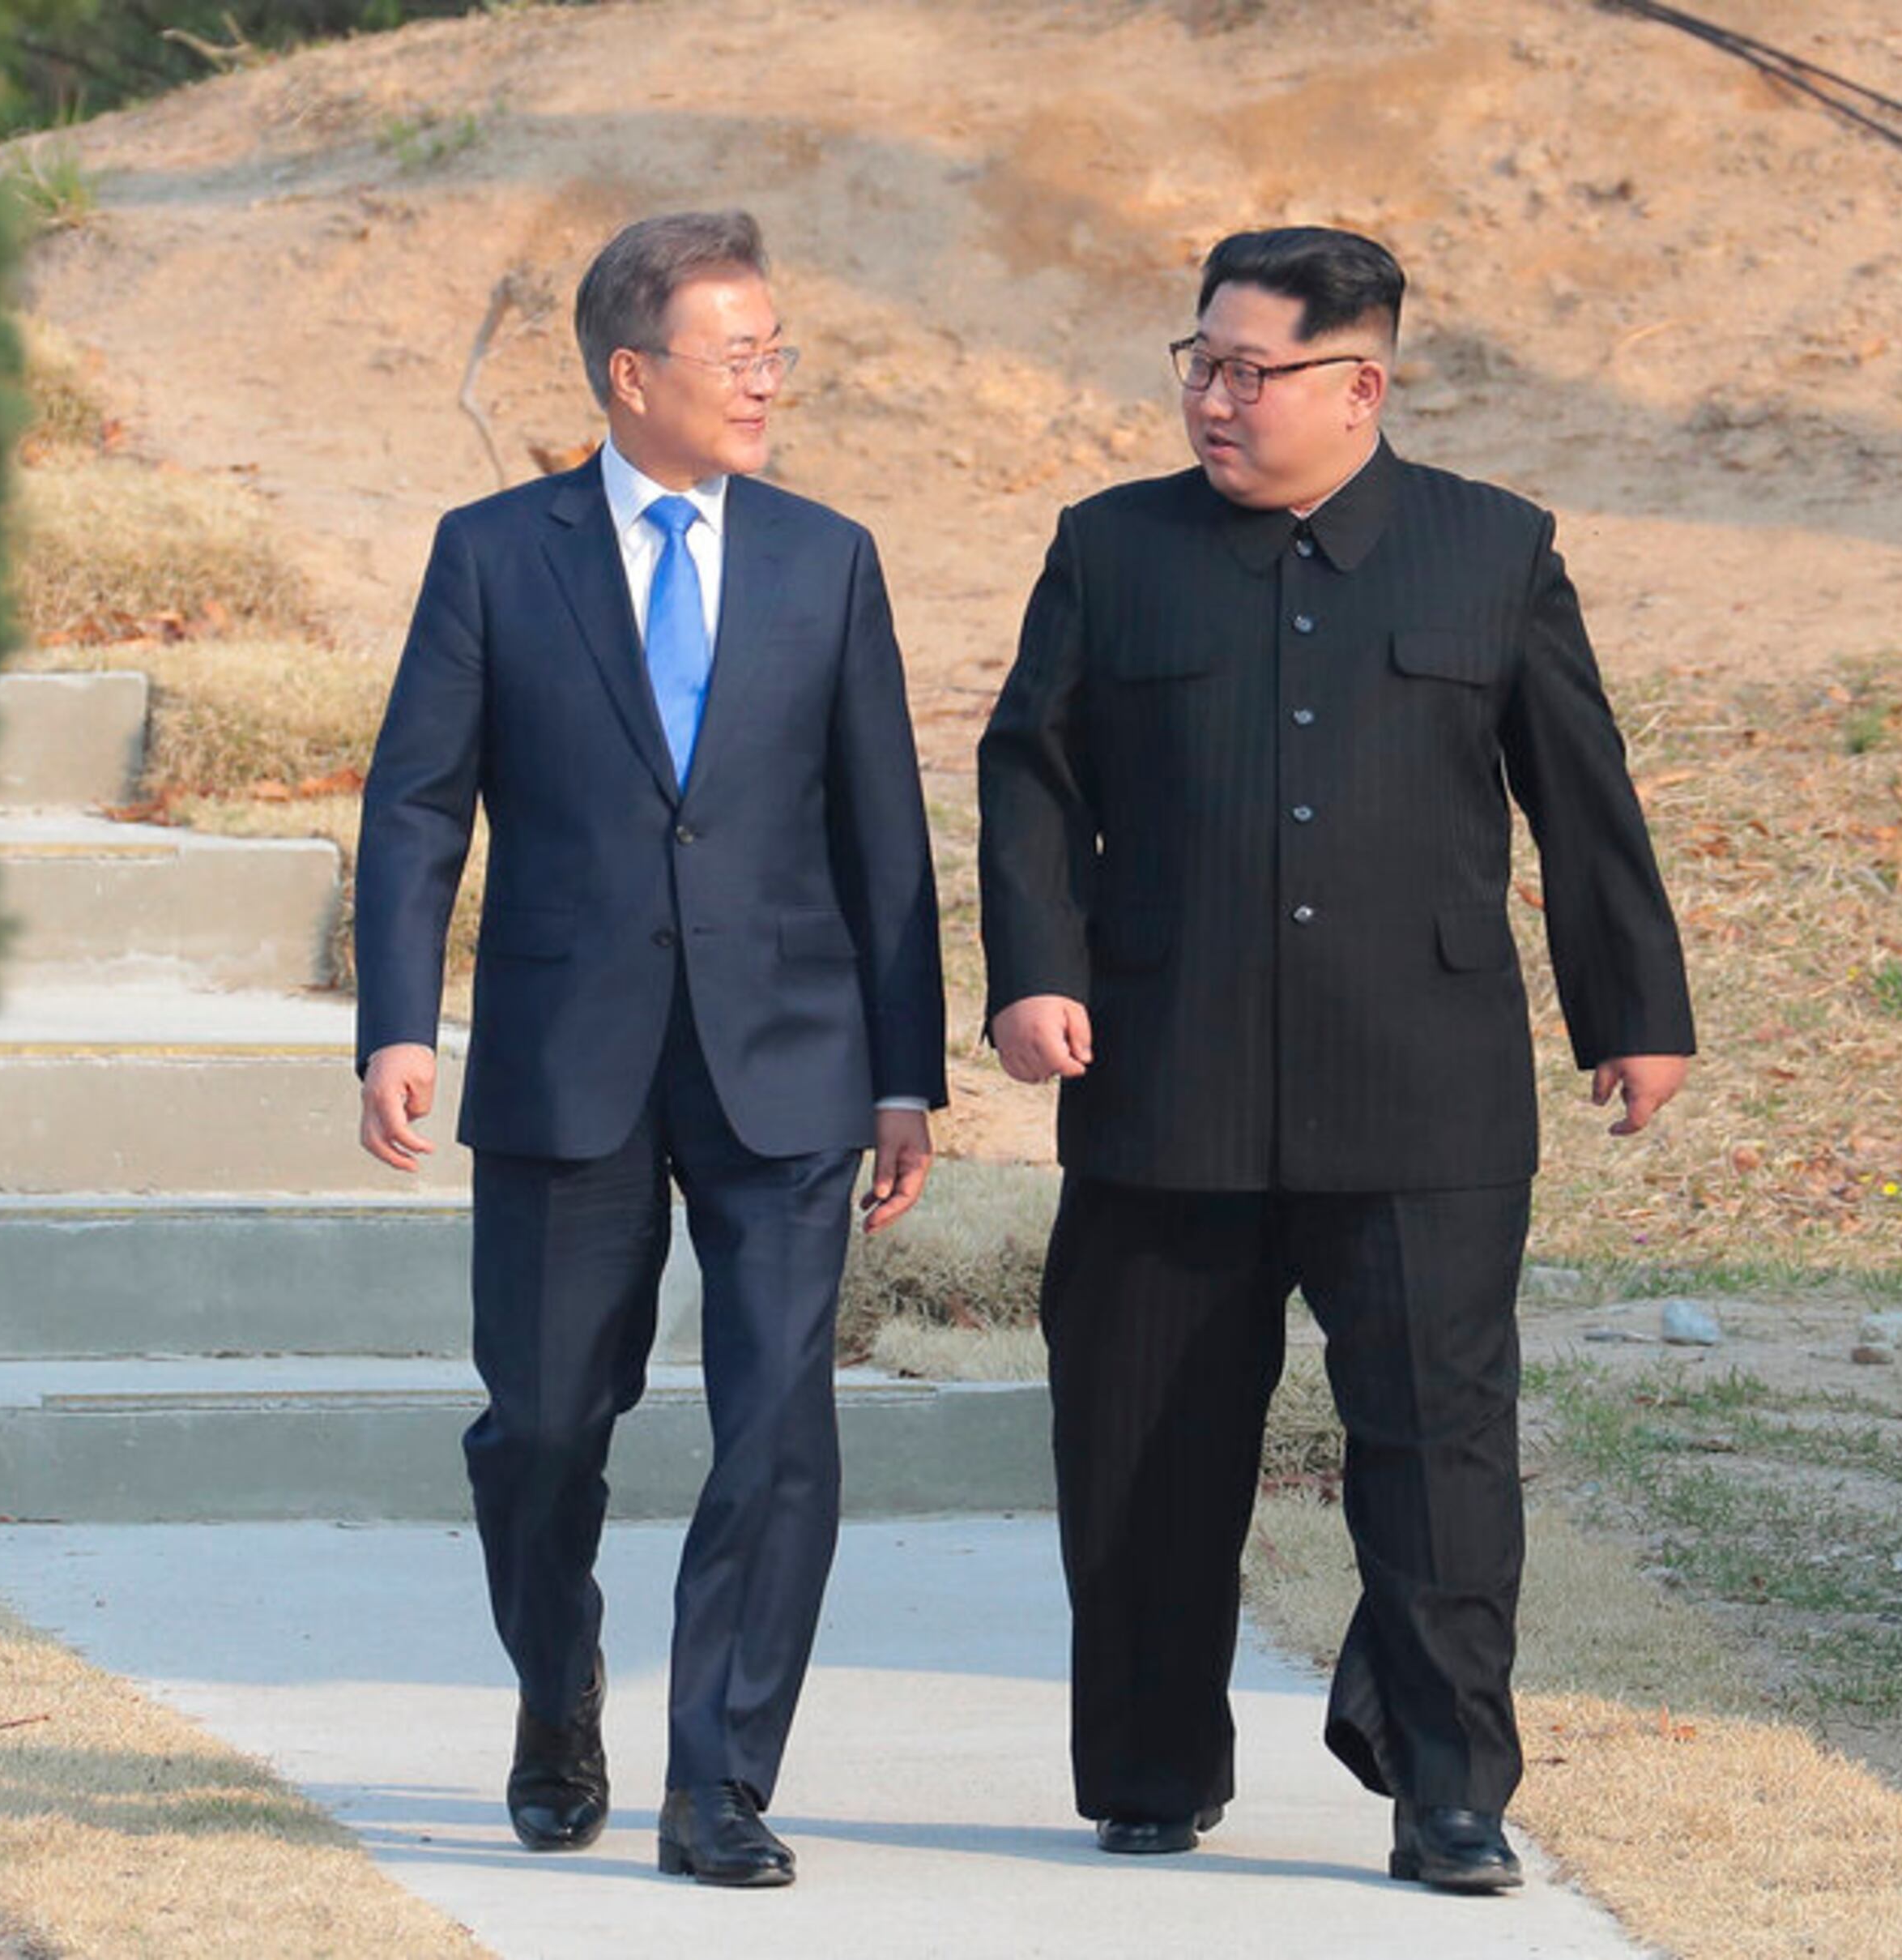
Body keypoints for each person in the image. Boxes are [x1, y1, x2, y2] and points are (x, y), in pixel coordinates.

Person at [977, 225, 1695, 1892]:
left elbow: (1579, 791)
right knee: (1141, 1445)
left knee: (1442, 1455)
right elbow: (1032, 776)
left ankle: (1449, 1791)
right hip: (1166, 1075)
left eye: (1253, 371)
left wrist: (1634, 1011)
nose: (1213, 399)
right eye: (1201, 363)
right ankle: (1150, 1768)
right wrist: (1034, 973)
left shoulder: (1491, 548)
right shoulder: (1112, 549)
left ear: (1360, 386)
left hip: (1423, 1087)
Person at [353, 210, 947, 1888]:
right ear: (631, 373)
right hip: (568, 1056)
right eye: (737, 353)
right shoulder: (495, 552)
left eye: (776, 352)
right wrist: (397, 1019)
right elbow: (418, 805)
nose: (768, 381)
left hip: (790, 1056)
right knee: (543, 1424)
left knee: (778, 1427)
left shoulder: (828, 558)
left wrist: (904, 1070)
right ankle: (557, 1693)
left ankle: (719, 1782)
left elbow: (885, 832)